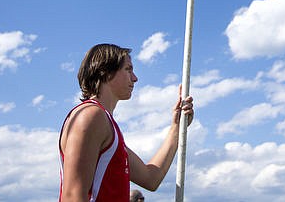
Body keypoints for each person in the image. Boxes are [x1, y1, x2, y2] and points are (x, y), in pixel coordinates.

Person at [59, 43, 194, 202]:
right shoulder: (90, 115)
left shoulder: (106, 123)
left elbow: (150, 178)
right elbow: (73, 196)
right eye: (128, 69)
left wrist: (176, 128)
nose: (135, 78)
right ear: (106, 71)